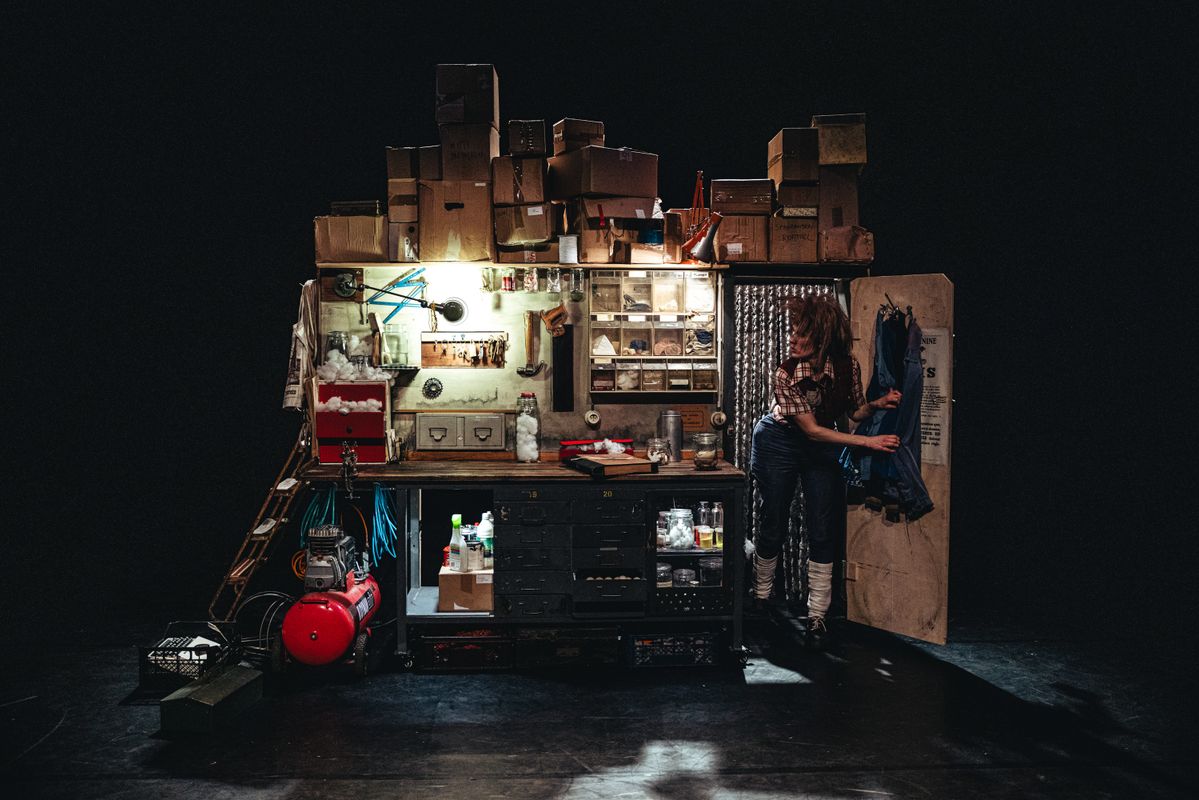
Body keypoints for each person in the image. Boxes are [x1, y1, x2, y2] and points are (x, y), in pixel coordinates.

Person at [749, 295, 901, 648]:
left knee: (822, 525)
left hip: (820, 444)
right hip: (779, 440)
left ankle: (817, 615)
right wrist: (869, 442)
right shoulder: (786, 373)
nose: (792, 339)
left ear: (821, 340)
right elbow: (813, 431)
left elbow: (855, 412)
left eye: (801, 335)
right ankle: (761, 598)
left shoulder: (847, 367)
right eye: (792, 332)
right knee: (774, 519)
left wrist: (877, 404)